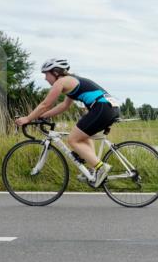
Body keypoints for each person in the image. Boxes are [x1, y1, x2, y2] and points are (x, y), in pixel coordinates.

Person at [14, 59, 120, 187]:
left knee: (73, 140)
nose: (45, 78)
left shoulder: (61, 82)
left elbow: (45, 104)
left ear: (55, 73)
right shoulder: (70, 81)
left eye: (46, 74)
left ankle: (101, 167)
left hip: (102, 108)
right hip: (109, 108)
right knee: (82, 136)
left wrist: (28, 118)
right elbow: (64, 106)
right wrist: (42, 116)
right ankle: (94, 168)